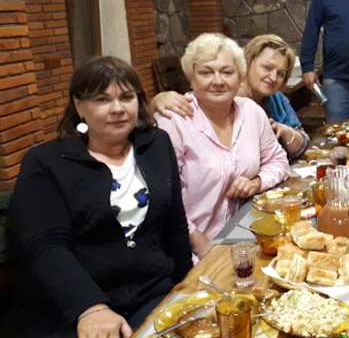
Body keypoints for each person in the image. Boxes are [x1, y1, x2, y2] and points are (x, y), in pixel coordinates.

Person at [4, 57, 192, 338]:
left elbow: (175, 224)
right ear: (79, 106)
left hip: (152, 293)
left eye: (126, 97)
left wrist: (187, 283)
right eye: (102, 100)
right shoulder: (46, 162)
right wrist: (90, 308)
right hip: (77, 306)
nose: (117, 109)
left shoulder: (157, 144)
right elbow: (45, 246)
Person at [156, 33, 290, 259]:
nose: (218, 81)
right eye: (206, 72)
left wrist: (256, 182)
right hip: (190, 249)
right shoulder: (173, 122)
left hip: (244, 235)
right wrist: (199, 244)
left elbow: (278, 160)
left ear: (240, 77)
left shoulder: (252, 112)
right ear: (191, 78)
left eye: (227, 72)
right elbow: (166, 197)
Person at [152, 34, 310, 160]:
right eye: (267, 68)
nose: (273, 77)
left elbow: (303, 143)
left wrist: (287, 132)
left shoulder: (276, 99)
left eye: (281, 73)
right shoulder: (224, 98)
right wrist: (157, 101)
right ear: (247, 62)